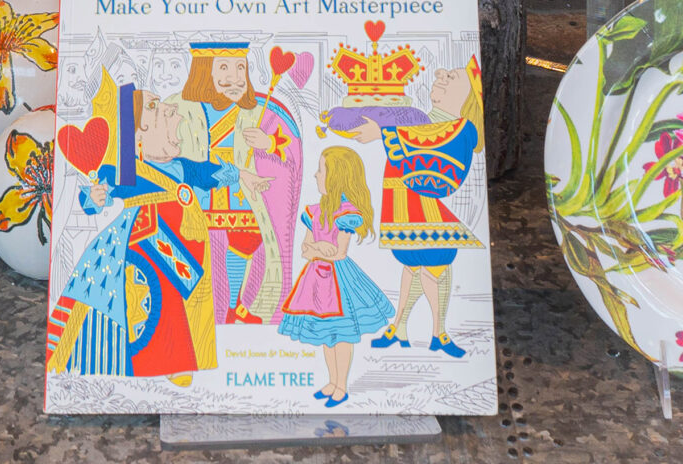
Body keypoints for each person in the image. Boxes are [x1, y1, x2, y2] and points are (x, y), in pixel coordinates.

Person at [45, 90, 237, 384]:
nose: (170, 113)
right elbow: (94, 198)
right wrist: (95, 197)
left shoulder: (183, 166)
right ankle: (165, 362)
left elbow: (217, 173)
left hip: (186, 242)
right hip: (146, 238)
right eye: (156, 108)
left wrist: (243, 174)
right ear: (139, 131)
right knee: (162, 299)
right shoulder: (125, 168)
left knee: (188, 299)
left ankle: (183, 360)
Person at [181, 39, 304, 327]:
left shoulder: (260, 110)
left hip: (241, 197)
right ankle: (197, 312)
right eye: (223, 67)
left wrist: (269, 142)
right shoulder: (182, 109)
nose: (235, 78)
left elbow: (289, 148)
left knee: (246, 243)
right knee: (197, 254)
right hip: (200, 196)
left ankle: (235, 306)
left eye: (241, 68)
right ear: (202, 72)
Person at [369, 56, 485, 358]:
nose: (441, 73)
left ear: (469, 97)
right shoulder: (420, 120)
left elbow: (441, 174)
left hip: (424, 211)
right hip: (400, 208)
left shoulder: (462, 129)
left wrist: (384, 133)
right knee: (412, 265)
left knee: (434, 265)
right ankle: (401, 327)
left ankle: (439, 333)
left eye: (454, 77)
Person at [274, 147, 391, 408]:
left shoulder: (346, 214)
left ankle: (342, 385)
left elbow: (338, 253)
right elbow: (305, 249)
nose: (316, 175)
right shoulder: (314, 211)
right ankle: (332, 381)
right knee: (327, 335)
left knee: (343, 335)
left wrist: (318, 250)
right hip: (315, 279)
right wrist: (316, 249)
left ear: (336, 177)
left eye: (321, 171)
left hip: (339, 282)